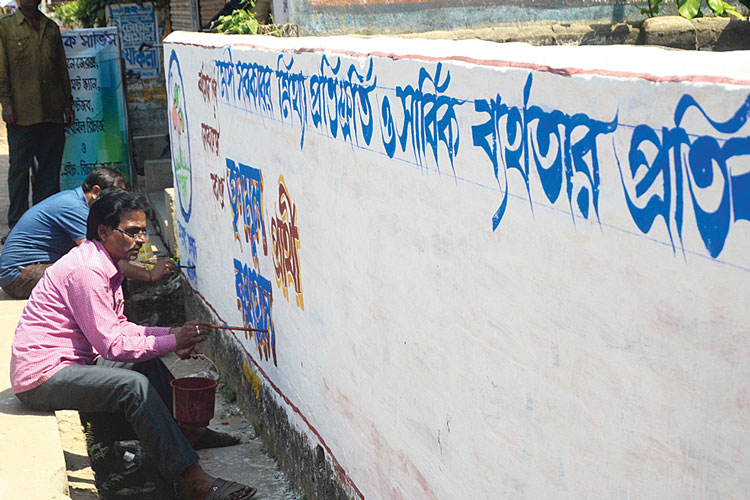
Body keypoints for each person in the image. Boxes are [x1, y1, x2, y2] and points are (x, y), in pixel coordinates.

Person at [10, 190, 257, 500]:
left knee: (147, 363)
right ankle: (194, 479)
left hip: (72, 363)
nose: (141, 239)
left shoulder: (102, 263)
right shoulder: (87, 271)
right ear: (103, 231)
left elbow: (120, 326)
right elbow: (112, 345)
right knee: (133, 386)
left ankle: (188, 432)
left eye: (142, 230)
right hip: (43, 378)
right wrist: (171, 341)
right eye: (132, 231)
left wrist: (171, 333)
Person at [0, 167, 175, 299]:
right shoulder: (74, 208)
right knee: (94, 270)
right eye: (113, 195)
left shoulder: (76, 201)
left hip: (29, 269)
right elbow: (100, 257)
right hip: (19, 277)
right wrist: (149, 274)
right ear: (96, 191)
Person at [0, 0, 74, 229]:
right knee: (19, 170)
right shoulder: (5, 27)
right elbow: (2, 69)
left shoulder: (51, 27)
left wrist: (67, 104)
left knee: (50, 172)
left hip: (52, 112)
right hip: (22, 113)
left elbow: (61, 68)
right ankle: (18, 224)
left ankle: (46, 223)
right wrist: (6, 103)